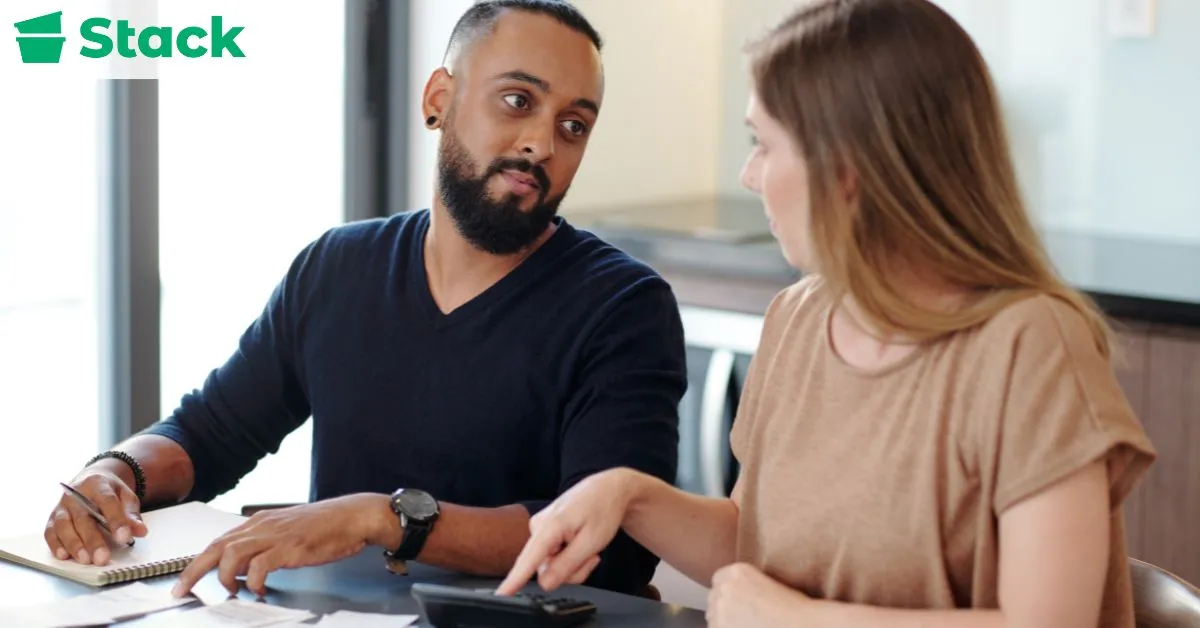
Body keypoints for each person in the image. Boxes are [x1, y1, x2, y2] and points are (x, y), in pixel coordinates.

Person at [497, 0, 1157, 626]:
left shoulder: (1030, 344)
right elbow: (758, 548)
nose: (751, 176)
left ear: (850, 170)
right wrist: (629, 495)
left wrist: (798, 620)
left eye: (763, 144)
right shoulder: (801, 319)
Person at [43, 0, 686, 599]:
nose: (542, 144)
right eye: (517, 101)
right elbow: (207, 434)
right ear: (439, 99)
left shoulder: (624, 306)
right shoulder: (338, 267)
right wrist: (117, 472)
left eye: (573, 125)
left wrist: (382, 518)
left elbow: (613, 542)